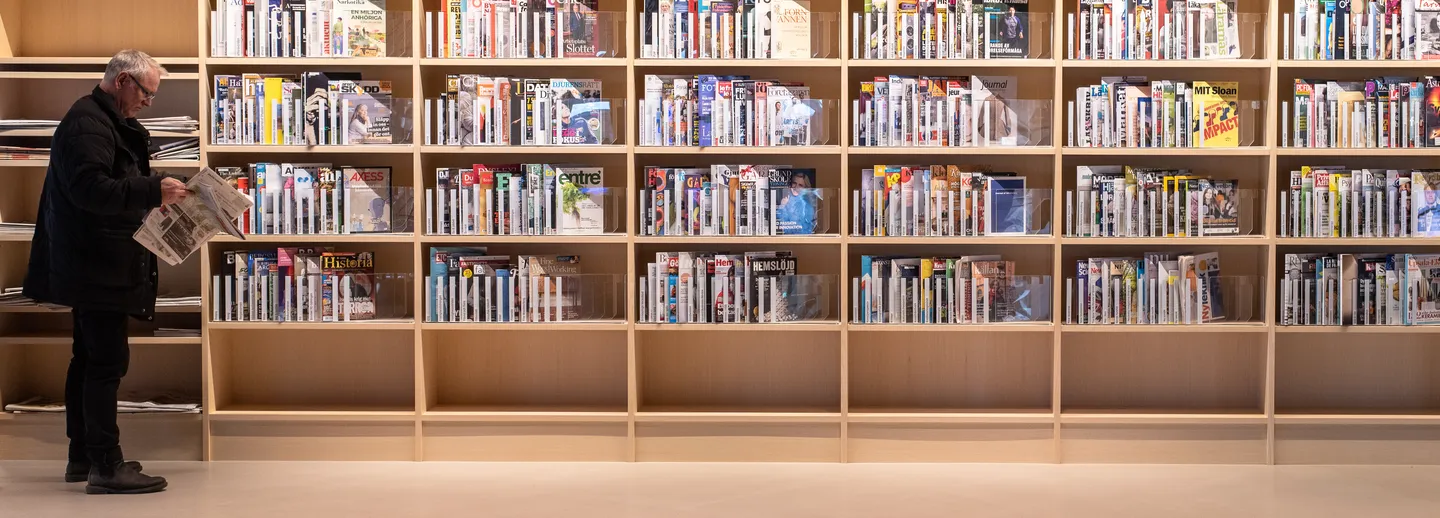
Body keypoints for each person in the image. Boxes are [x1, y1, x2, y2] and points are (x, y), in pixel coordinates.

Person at [23, 49, 188, 495]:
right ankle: (106, 465)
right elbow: (91, 189)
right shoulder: (87, 123)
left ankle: (84, 456)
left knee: (88, 359)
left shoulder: (101, 120)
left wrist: (153, 191)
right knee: (105, 362)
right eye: (147, 93)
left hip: (95, 261)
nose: (149, 103)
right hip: (96, 265)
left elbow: (109, 180)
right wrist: (154, 190)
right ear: (122, 82)